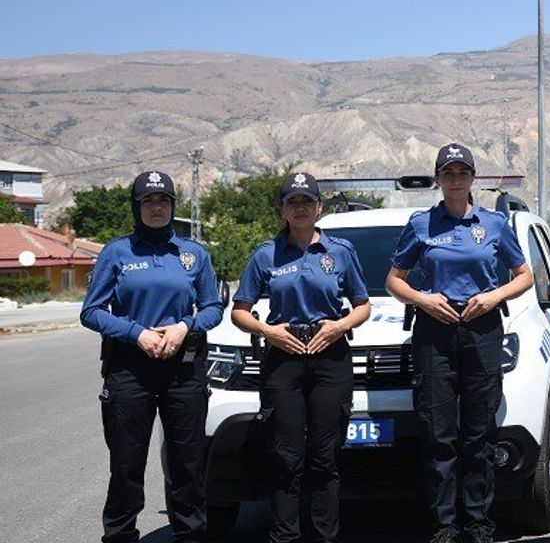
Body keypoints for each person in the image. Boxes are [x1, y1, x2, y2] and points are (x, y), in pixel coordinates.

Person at [386, 143, 535, 543]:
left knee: (480, 432)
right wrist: (423, 299)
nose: (455, 180)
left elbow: (524, 276)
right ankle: (445, 525)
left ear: (473, 179)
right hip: (434, 332)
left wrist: (494, 296)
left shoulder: (495, 224)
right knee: (439, 434)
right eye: (447, 174)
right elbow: (394, 281)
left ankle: (479, 523)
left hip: (482, 329)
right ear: (438, 180)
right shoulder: (421, 225)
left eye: (462, 173)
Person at [80, 170, 224, 543]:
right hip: (130, 368)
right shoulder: (117, 252)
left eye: (163, 201)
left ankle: (190, 535)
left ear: (173, 206)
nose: (157, 207)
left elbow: (213, 307)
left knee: (187, 464)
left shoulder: (194, 253)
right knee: (127, 464)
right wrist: (137, 333)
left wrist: (185, 328)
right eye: (148, 201)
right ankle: (120, 535)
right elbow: (91, 312)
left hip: (184, 369)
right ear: (136, 206)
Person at [230, 172, 371, 543]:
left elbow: (362, 305)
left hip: (331, 356)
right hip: (283, 358)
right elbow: (240, 311)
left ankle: (325, 537)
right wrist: (267, 331)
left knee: (325, 460)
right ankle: (285, 538)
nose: (301, 208)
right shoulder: (265, 254)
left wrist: (339, 327)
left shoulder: (340, 252)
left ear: (319, 207)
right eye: (293, 202)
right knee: (285, 458)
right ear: (283, 209)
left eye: (307, 201)